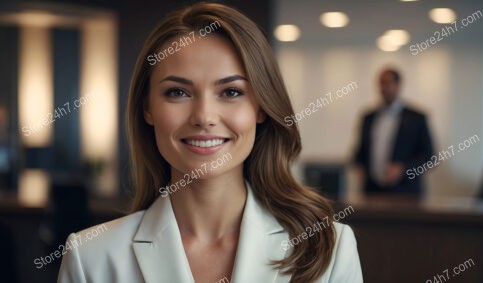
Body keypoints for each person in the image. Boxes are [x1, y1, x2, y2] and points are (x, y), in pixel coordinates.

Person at [58, 3, 362, 283]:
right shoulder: (91, 258)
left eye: (231, 92)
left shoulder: (328, 249)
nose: (204, 116)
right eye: (177, 92)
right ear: (147, 109)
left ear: (261, 107)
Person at [354, 68, 433, 196]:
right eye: (381, 83)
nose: (384, 88)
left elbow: (429, 156)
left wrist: (403, 169)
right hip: (372, 191)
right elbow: (360, 151)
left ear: (398, 85)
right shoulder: (368, 117)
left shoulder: (416, 118)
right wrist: (359, 164)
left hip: (405, 192)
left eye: (388, 82)